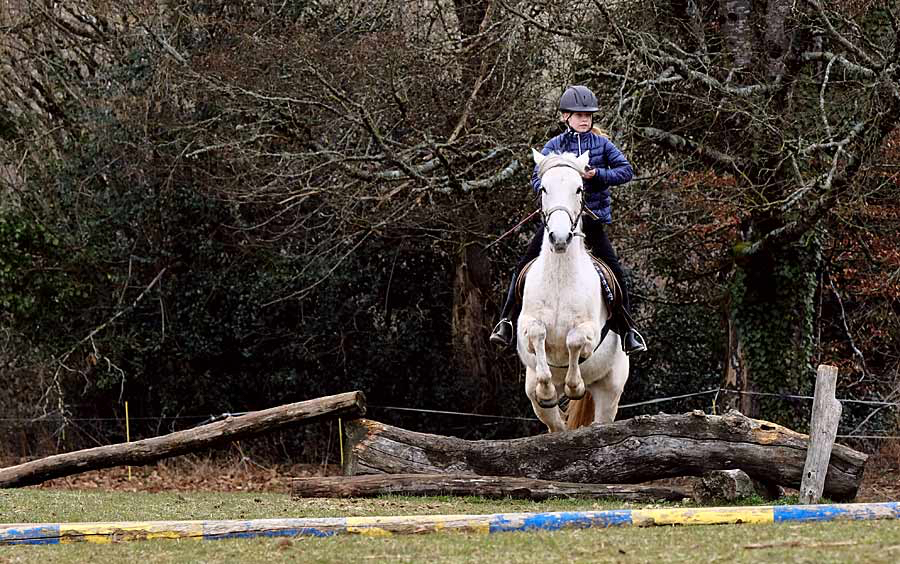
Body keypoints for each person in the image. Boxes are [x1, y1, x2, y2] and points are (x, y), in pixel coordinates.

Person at [489, 85, 647, 355]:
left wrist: (596, 175)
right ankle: (506, 323)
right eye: (578, 115)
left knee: (616, 272)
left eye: (588, 115)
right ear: (565, 117)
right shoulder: (554, 146)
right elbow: (536, 178)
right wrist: (549, 183)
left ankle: (628, 331)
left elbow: (626, 171)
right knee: (523, 265)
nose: (584, 120)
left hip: (591, 220)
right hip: (558, 221)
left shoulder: (602, 145)